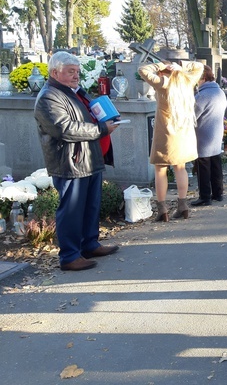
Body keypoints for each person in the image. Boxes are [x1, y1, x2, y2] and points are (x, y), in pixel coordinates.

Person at [34, 51, 120, 271]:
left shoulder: (74, 92)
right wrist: (102, 129)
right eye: (70, 72)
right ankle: (70, 255)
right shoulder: (49, 96)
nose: (76, 76)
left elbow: (86, 117)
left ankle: (89, 244)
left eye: (77, 72)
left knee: (91, 206)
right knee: (71, 210)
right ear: (55, 72)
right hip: (70, 162)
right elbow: (64, 128)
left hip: (88, 158)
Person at [139, 60, 204, 222]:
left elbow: (143, 70)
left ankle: (162, 209)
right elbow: (200, 66)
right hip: (183, 131)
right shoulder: (187, 82)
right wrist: (181, 67)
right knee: (180, 167)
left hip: (166, 131)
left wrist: (160, 65)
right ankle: (182, 205)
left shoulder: (163, 83)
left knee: (160, 169)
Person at [192, 65, 227, 206]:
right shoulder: (219, 91)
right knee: (215, 163)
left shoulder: (202, 95)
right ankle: (218, 193)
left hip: (203, 134)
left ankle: (205, 196)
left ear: (203, 78)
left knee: (203, 165)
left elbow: (193, 115)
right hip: (216, 132)